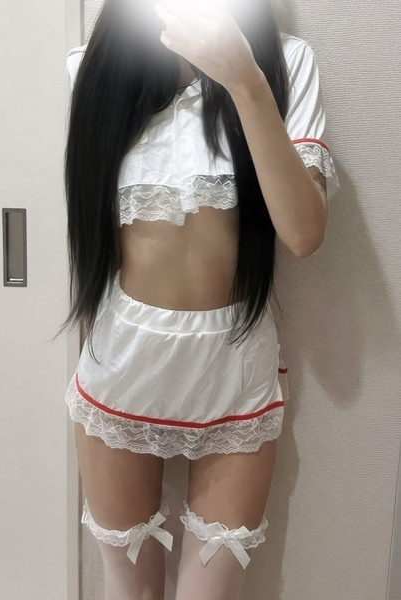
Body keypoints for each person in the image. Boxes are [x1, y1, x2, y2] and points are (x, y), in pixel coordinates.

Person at [59, 0, 340, 598]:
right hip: (121, 367)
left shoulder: (287, 62)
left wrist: (245, 80)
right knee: (129, 591)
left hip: (234, 374)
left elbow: (304, 234)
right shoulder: (93, 67)